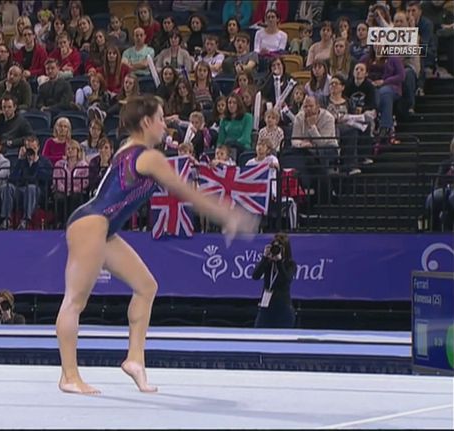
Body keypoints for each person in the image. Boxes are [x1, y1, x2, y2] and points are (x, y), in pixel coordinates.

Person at [57, 94, 258, 394]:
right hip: (91, 224)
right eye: (161, 119)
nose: (165, 125)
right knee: (75, 301)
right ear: (147, 122)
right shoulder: (147, 156)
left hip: (103, 228)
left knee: (146, 286)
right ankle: (69, 376)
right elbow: (186, 193)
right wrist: (228, 215)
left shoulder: (135, 151)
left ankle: (135, 360)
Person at [252, 233, 296, 328]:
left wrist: (279, 262)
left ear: (285, 249)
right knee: (258, 333)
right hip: (266, 308)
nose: (276, 250)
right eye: (274, 246)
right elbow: (255, 276)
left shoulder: (290, 264)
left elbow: (286, 280)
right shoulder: (268, 262)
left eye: (279, 248)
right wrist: (264, 258)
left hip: (283, 309)